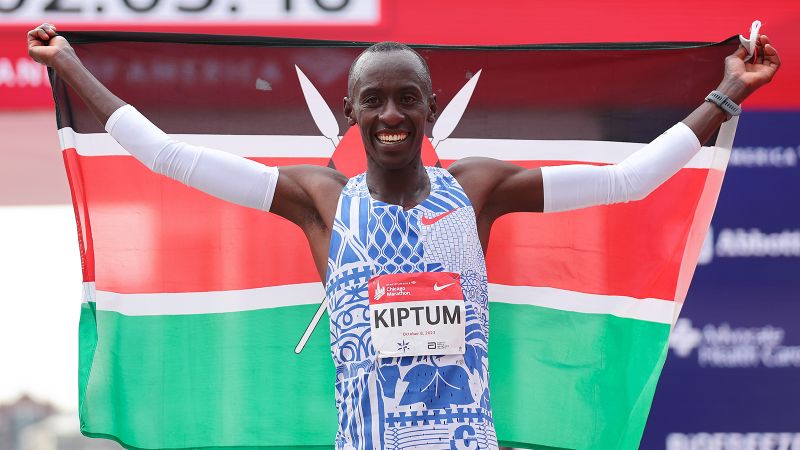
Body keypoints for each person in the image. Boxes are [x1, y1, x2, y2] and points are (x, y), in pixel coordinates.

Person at [28, 23, 779, 450]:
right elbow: (168, 156)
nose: (392, 114)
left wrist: (728, 93)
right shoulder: (319, 200)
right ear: (351, 112)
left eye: (407, 98)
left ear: (429, 108)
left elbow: (628, 181)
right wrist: (69, 66)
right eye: (375, 99)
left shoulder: (476, 190)